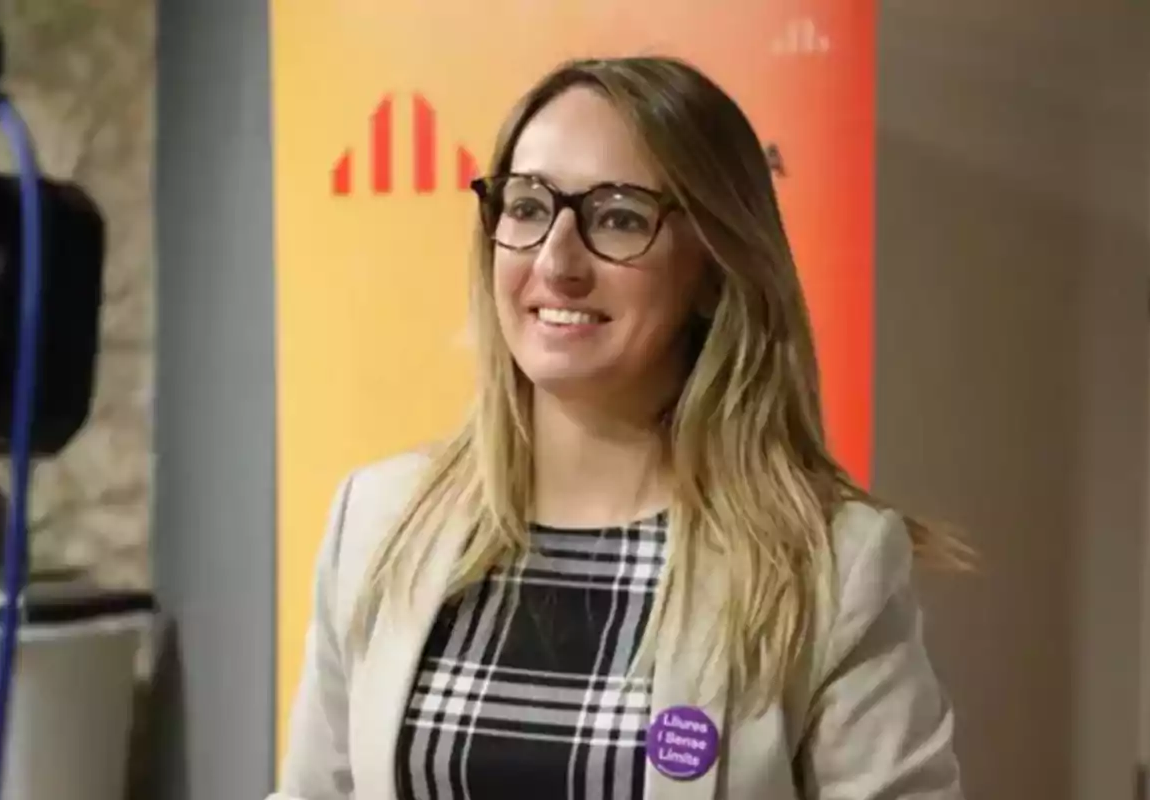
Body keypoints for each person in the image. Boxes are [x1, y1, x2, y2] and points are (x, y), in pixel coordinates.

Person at [272, 55, 969, 800]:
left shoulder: (829, 569)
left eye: (619, 217)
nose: (557, 261)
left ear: (712, 269)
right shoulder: (378, 522)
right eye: (528, 207)